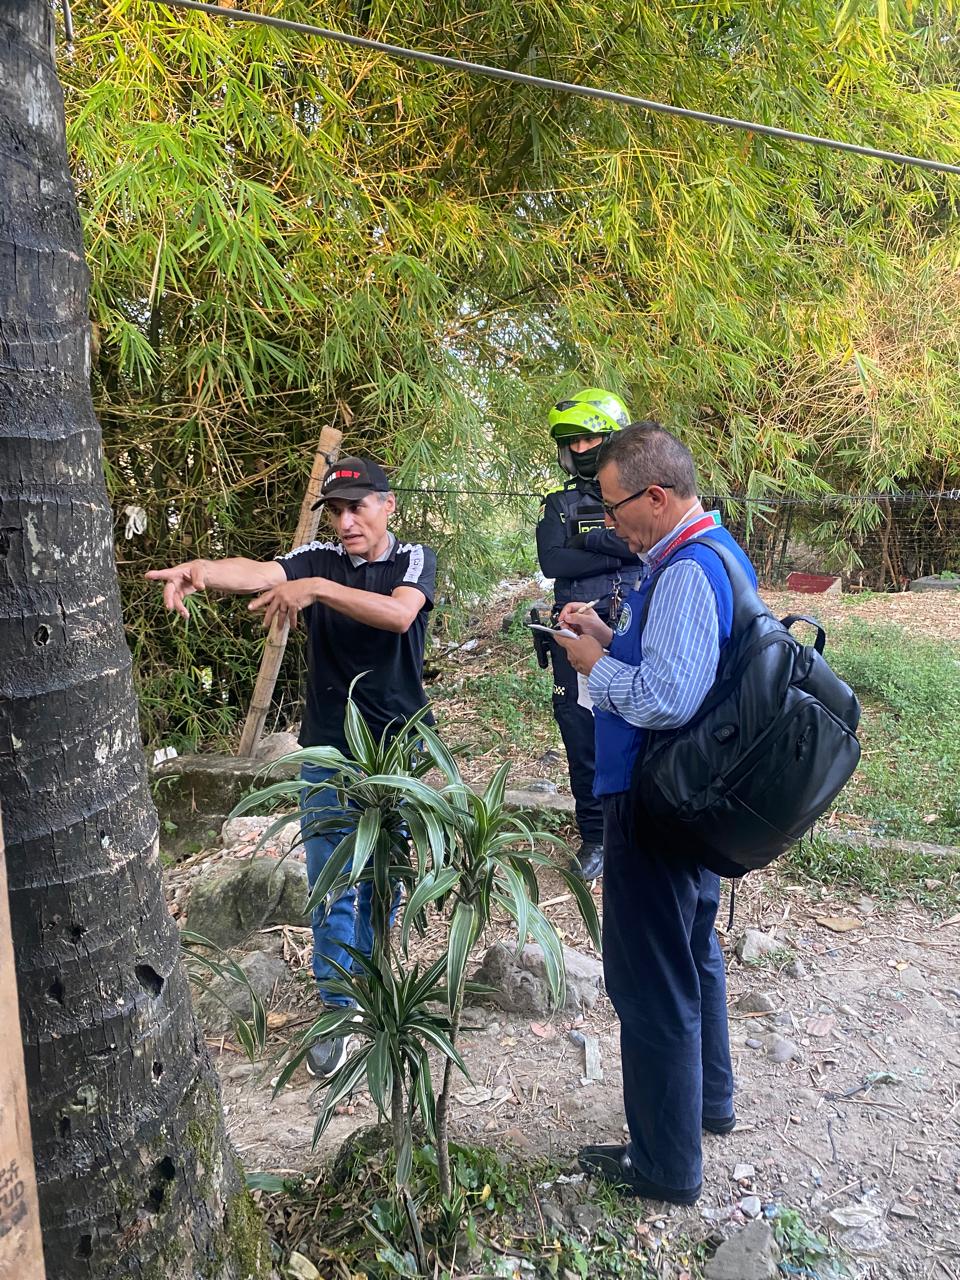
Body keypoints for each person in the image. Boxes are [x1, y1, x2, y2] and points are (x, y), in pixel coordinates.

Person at [147, 457, 436, 1079]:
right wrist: (201, 571)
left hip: (399, 749)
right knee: (333, 882)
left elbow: (399, 614)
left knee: (387, 877)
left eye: (358, 506)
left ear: (388, 504)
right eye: (335, 510)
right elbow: (261, 571)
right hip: (328, 749)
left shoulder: (412, 559)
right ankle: (339, 1010)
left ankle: (377, 989)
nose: (346, 520)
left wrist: (318, 591)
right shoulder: (317, 557)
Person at [554, 423, 757, 1206]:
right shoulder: (716, 555)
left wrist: (594, 664)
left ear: (658, 497)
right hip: (698, 800)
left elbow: (666, 699)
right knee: (692, 949)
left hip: (655, 800)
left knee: (649, 980)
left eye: (614, 509)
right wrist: (610, 635)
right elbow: (683, 670)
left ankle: (664, 1165)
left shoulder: (680, 573)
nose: (610, 526)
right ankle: (709, 1103)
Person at [536, 388, 642, 881]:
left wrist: (591, 541)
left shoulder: (644, 497)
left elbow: (649, 552)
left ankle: (641, 833)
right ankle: (595, 837)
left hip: (633, 624)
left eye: (590, 439)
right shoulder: (558, 504)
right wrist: (616, 547)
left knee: (642, 726)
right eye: (571, 442)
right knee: (581, 733)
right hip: (572, 630)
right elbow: (552, 560)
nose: (580, 450)